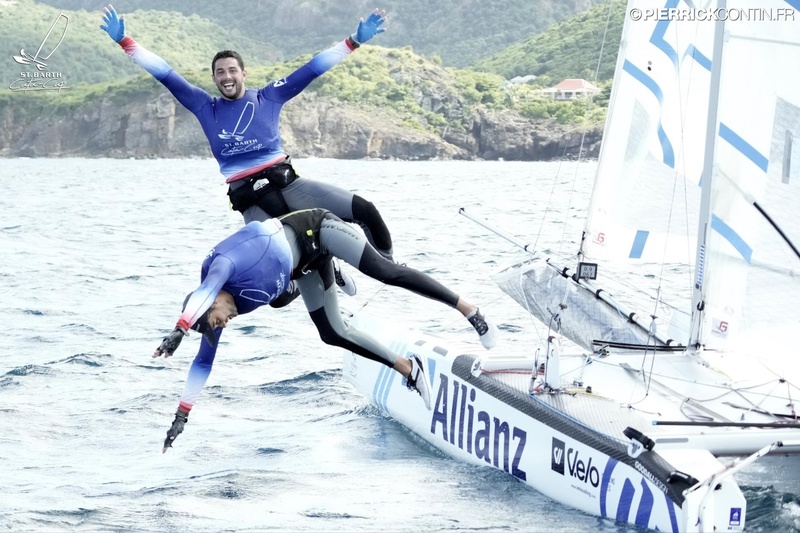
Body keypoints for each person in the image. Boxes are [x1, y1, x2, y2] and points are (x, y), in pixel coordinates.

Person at [153, 208, 499, 453]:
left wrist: (178, 330)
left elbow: (205, 290)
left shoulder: (221, 268)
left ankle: (468, 308)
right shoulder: (214, 313)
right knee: (331, 332)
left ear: (210, 300)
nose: (223, 326)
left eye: (215, 320)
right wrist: (182, 415)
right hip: (304, 268)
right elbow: (202, 364)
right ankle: (409, 368)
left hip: (316, 229)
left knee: (385, 272)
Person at [99, 5, 396, 264]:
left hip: (290, 184)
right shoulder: (205, 107)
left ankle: (388, 264)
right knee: (273, 265)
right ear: (214, 78)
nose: (226, 77)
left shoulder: (268, 97)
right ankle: (322, 268)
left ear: (244, 74)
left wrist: (353, 41)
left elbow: (312, 69)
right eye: (220, 72)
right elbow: (165, 73)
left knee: (365, 210)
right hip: (252, 202)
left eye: (232, 70)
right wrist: (126, 42)